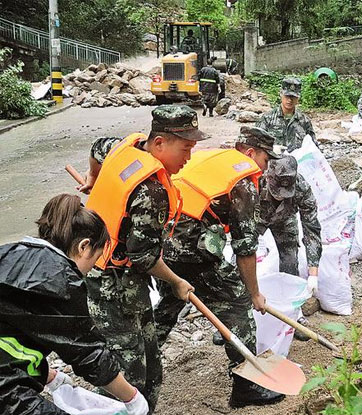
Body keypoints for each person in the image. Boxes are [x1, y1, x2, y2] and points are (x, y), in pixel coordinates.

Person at [78, 105, 202, 412]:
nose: (188, 159)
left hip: (128, 283)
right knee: (125, 373)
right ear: (159, 143)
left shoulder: (125, 148)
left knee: (150, 362)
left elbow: (98, 147)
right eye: (185, 149)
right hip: (109, 283)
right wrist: (176, 281)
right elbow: (143, 255)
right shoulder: (153, 191)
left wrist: (92, 176)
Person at [155, 126, 285, 408]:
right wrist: (253, 294)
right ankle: (247, 387)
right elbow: (245, 247)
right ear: (251, 153)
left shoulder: (215, 158)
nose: (265, 167)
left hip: (161, 245)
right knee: (237, 305)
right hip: (191, 250)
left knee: (169, 302)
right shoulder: (243, 180)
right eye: (265, 159)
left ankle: (137, 369)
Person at [0, 194, 148, 415]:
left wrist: (47, 374)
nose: (90, 269)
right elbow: (89, 356)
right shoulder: (59, 279)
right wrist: (132, 398)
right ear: (84, 247)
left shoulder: (10, 253)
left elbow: (14, 330)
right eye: (95, 258)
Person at [257, 155, 322, 341]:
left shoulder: (302, 188)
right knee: (242, 262)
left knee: (290, 260)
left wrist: (313, 273)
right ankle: (233, 319)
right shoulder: (255, 182)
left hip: (285, 220)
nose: (280, 194)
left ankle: (292, 317)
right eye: (277, 189)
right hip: (255, 219)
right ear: (269, 177)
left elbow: (312, 229)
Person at [256, 77, 317, 152]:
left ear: (298, 98)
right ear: (281, 94)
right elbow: (256, 144)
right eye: (287, 96)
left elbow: (313, 147)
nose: (290, 100)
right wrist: (271, 148)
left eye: (293, 97)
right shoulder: (267, 118)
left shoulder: (304, 121)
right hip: (274, 161)